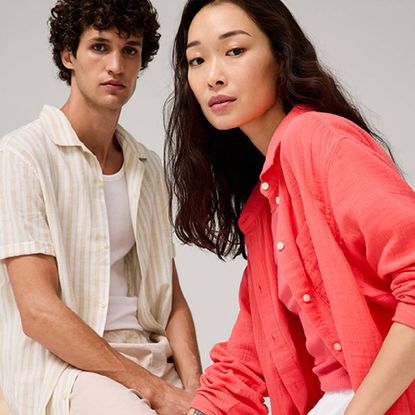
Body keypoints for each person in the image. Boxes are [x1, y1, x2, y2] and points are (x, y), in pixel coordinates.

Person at [164, 0, 415, 414]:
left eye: (235, 51)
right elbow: (244, 364)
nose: (213, 76)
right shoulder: (265, 205)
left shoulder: (317, 139)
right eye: (196, 60)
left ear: (281, 56)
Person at [0, 0, 202, 414]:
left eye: (129, 49)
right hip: (65, 369)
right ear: (68, 54)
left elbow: (171, 298)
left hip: (147, 355)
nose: (116, 65)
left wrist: (199, 389)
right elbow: (38, 311)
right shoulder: (22, 156)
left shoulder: (147, 167)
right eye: (99, 47)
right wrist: (158, 393)